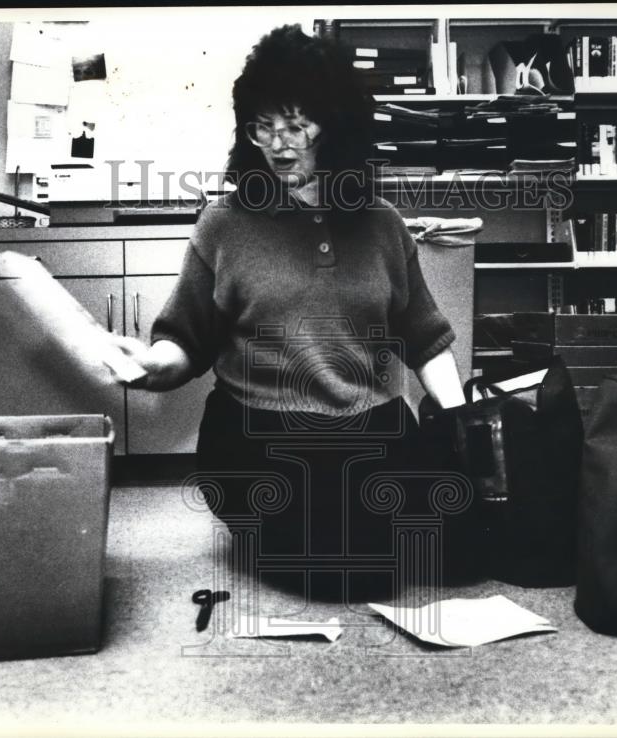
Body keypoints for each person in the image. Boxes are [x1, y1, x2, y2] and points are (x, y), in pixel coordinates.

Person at [114, 24, 466, 600]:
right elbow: (187, 340)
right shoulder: (223, 224)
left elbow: (424, 338)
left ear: (336, 126)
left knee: (455, 543)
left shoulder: (382, 224)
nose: (279, 144)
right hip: (260, 430)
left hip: (367, 425)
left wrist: (460, 428)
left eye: (298, 124)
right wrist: (154, 364)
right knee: (340, 572)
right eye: (263, 126)